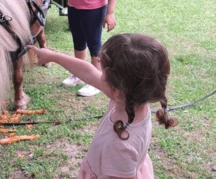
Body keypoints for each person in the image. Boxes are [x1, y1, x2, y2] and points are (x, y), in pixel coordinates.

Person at [28, 33, 178, 178]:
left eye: (103, 70)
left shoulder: (119, 146)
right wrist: (53, 56)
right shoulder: (133, 100)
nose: (98, 70)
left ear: (116, 90)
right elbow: (87, 71)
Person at [33, 0, 118, 97]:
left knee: (94, 44)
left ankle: (97, 80)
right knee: (78, 42)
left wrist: (110, 13)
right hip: (74, 6)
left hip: (94, 8)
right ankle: (79, 74)